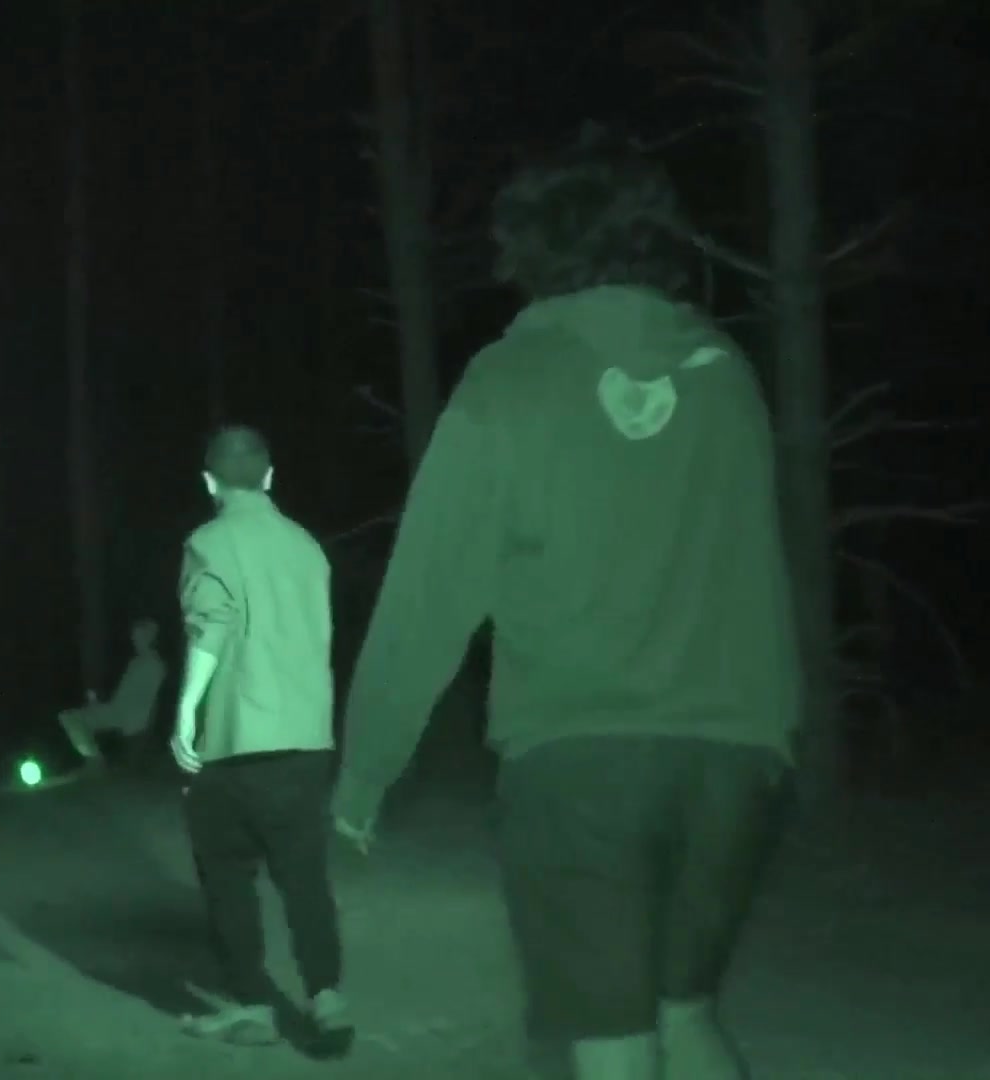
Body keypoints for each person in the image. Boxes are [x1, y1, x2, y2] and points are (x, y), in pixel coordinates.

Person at [331, 135, 800, 1080]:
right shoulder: (728, 375)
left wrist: (365, 774)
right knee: (685, 1014)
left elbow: (427, 598)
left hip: (580, 759)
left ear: (531, 249)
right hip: (737, 759)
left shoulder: (510, 381)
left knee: (613, 1043)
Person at [170, 425, 352, 1055]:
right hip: (306, 737)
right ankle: (327, 995)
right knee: (305, 876)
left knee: (227, 872)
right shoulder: (308, 548)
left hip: (236, 738)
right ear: (270, 476)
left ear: (209, 481)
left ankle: (253, 1004)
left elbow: (213, 624)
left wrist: (186, 710)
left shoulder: (208, 543)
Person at [58, 617, 166, 768]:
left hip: (129, 716)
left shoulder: (154, 664)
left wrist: (138, 723)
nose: (135, 640)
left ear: (149, 638)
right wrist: (97, 704)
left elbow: (147, 700)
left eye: (139, 636)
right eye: (134, 637)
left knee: (72, 718)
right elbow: (122, 696)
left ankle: (95, 762)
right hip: (118, 710)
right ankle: (93, 758)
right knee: (69, 717)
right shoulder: (135, 662)